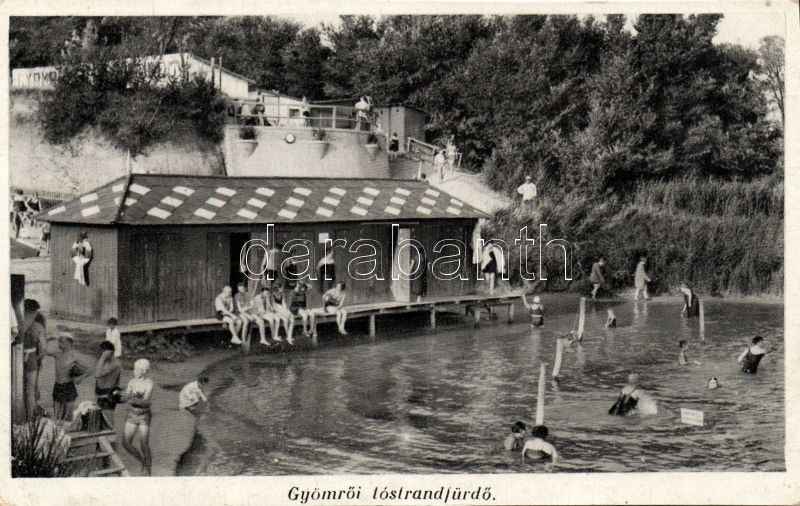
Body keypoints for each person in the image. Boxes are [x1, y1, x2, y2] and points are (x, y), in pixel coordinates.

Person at [46, 333, 90, 421]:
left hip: (68, 387)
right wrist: (48, 339)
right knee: (57, 417)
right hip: (57, 387)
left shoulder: (74, 355)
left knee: (68, 418)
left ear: (70, 343)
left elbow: (89, 369)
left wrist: (80, 378)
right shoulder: (57, 354)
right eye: (59, 342)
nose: (59, 344)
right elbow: (45, 350)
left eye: (62, 342)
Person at [122, 358, 154, 476]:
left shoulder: (149, 383)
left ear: (143, 371)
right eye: (134, 369)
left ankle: (148, 469)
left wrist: (130, 398)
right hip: (131, 414)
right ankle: (143, 462)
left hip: (143, 415)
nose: (134, 371)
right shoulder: (131, 382)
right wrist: (120, 396)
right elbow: (126, 397)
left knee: (144, 444)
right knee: (126, 443)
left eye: (136, 369)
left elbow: (146, 402)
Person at [17, 299, 47, 420]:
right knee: (30, 391)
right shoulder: (38, 326)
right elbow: (43, 348)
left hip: (17, 356)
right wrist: (39, 358)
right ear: (34, 311)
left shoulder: (18, 323)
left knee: (17, 388)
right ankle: (30, 420)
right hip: (32, 357)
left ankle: (18, 418)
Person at [94, 341, 122, 424]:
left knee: (107, 422)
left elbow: (97, 374)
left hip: (108, 395)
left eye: (103, 352)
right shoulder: (105, 362)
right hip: (100, 394)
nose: (102, 354)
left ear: (110, 352)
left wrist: (102, 358)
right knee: (99, 422)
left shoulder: (115, 364)